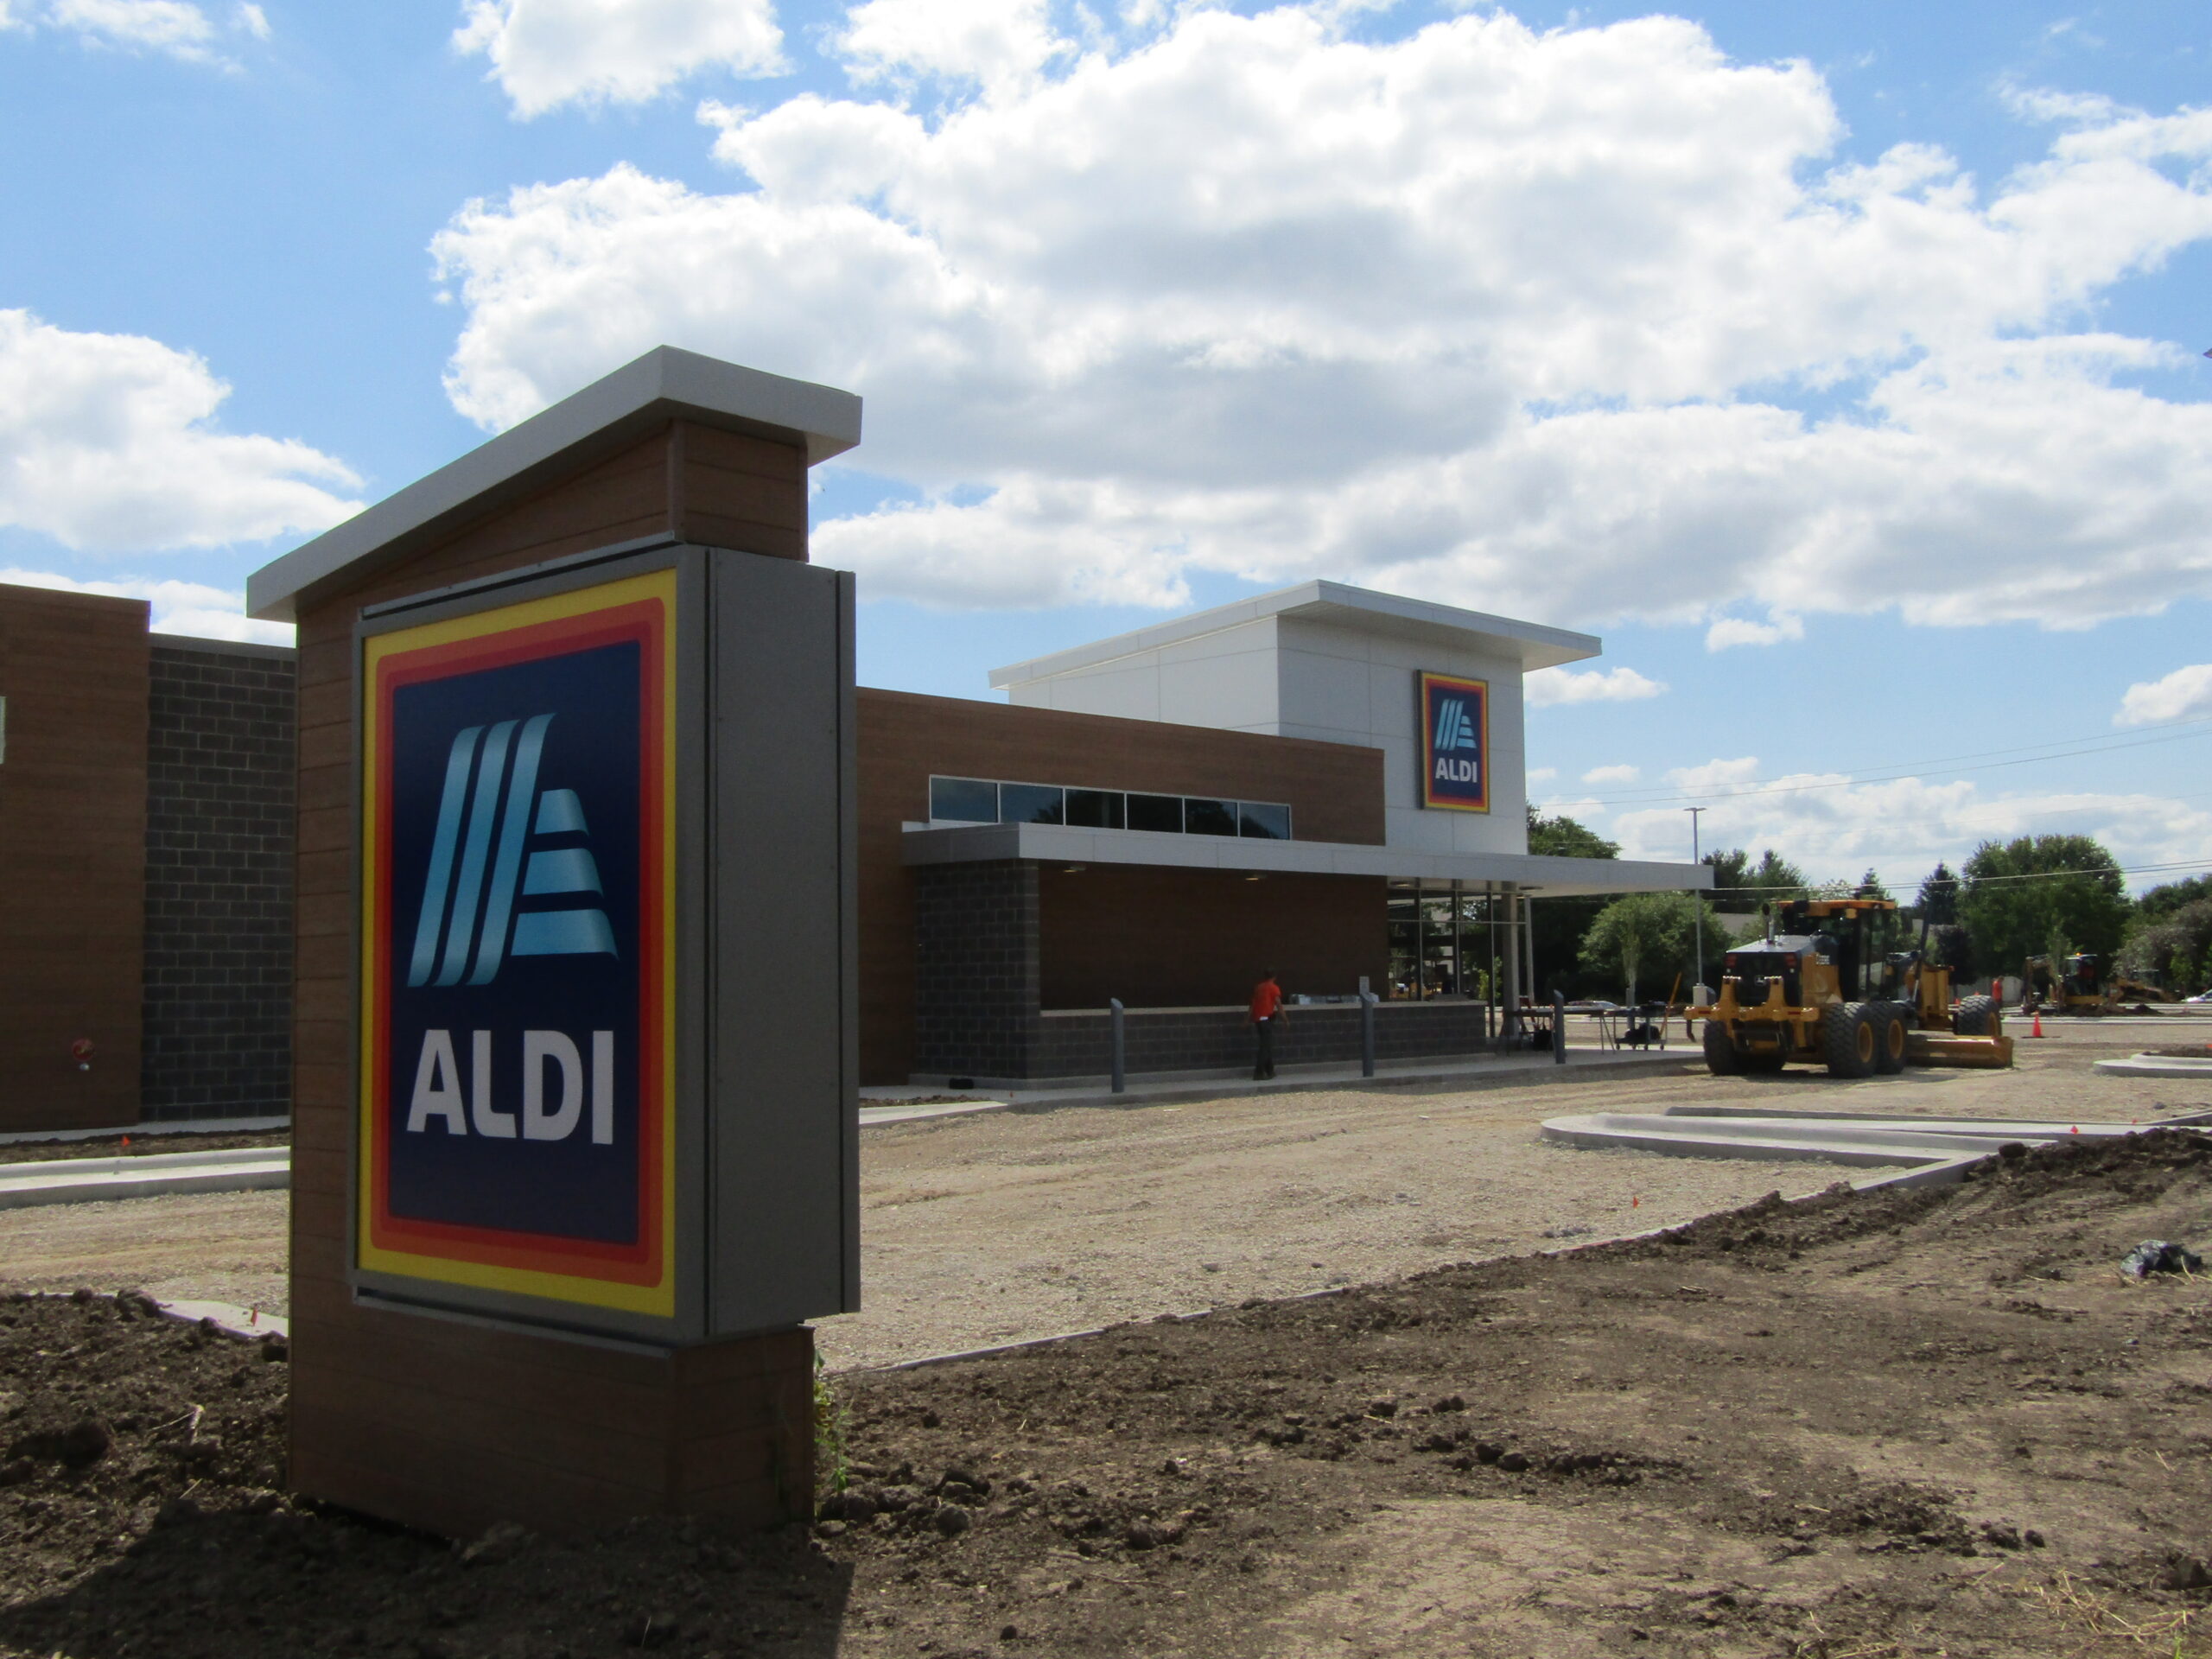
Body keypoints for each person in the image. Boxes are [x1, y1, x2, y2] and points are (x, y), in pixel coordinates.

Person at [1249, 969, 1285, 1080]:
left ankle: (1270, 1070)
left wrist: (1246, 1019)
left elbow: (1252, 1004)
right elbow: (1279, 1005)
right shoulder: (1274, 988)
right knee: (1265, 1047)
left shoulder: (1258, 987)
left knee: (1266, 1045)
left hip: (1258, 1019)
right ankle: (1259, 1072)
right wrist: (1286, 1020)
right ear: (1275, 976)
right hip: (1266, 1019)